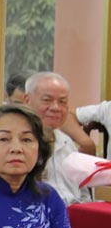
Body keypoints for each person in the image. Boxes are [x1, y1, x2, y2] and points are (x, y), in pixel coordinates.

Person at [24, 71, 93, 205]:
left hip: (75, 213)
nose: (56, 108)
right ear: (27, 100)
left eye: (62, 102)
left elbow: (84, 192)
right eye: (47, 100)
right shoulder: (18, 144)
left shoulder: (66, 142)